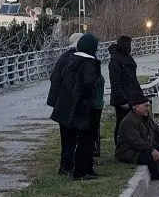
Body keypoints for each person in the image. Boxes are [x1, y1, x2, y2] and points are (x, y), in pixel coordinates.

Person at [51, 33, 102, 180]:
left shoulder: (71, 59)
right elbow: (88, 83)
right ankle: (77, 169)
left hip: (66, 105)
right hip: (80, 107)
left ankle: (70, 166)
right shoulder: (88, 63)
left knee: (69, 138)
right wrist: (87, 96)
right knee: (82, 138)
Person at [47, 32, 83, 175]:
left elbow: (54, 77)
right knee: (69, 136)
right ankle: (66, 166)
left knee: (67, 136)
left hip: (60, 103)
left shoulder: (64, 57)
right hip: (66, 103)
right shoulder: (73, 59)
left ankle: (66, 165)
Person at [115, 96, 159, 180]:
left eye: (149, 106)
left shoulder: (145, 117)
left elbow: (157, 131)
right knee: (149, 157)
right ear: (136, 107)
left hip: (142, 148)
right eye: (146, 106)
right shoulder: (129, 121)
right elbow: (136, 141)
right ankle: (157, 174)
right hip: (130, 152)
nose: (148, 109)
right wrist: (152, 150)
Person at [108, 36, 143, 147]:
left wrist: (141, 97)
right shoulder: (115, 61)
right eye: (132, 44)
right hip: (123, 99)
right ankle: (120, 146)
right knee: (121, 123)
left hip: (131, 96)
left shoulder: (127, 58)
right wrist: (123, 100)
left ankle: (129, 145)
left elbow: (133, 80)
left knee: (131, 123)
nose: (133, 46)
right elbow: (116, 83)